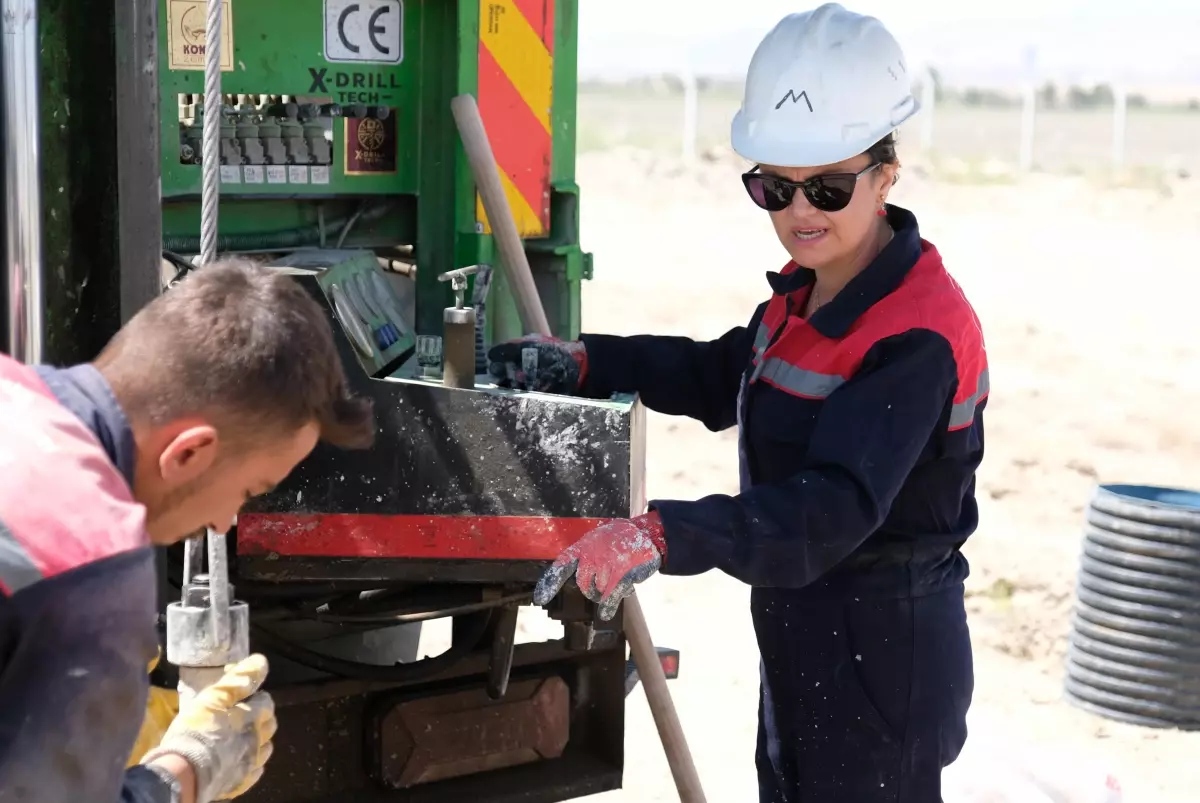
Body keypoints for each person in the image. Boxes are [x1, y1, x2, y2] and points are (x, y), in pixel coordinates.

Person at [487, 5, 988, 801]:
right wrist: (586, 361)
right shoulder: (811, 294)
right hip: (805, 629)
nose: (799, 212)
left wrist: (667, 532)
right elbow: (727, 373)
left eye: (826, 186)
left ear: (888, 174)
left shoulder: (914, 333)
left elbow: (829, 509)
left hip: (883, 655)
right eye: (774, 187)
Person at [0, 259, 375, 803]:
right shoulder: (90, 560)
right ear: (190, 453)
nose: (226, 523)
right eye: (249, 491)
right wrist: (190, 769)